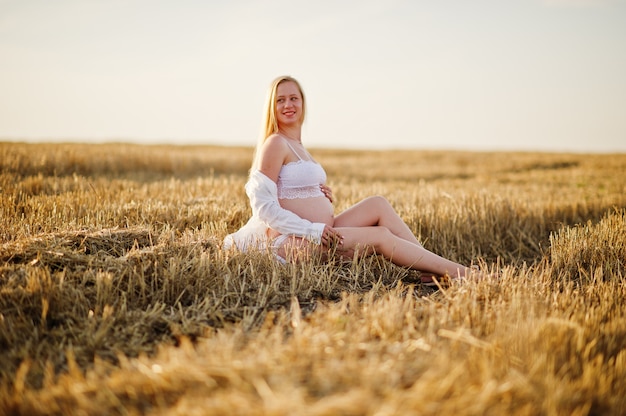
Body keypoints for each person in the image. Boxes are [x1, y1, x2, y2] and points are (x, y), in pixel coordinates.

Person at [224, 75, 482, 284]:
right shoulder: (274, 143)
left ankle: (428, 266)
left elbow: (290, 189)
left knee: (378, 204)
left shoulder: (297, 145)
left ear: (303, 103)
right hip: (292, 242)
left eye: (294, 98)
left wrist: (317, 193)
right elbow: (264, 208)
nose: (288, 104)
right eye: (280, 100)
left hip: (321, 234)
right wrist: (312, 229)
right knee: (380, 236)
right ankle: (462, 273)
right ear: (272, 106)